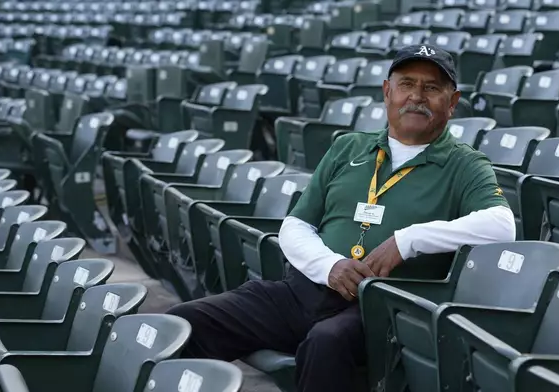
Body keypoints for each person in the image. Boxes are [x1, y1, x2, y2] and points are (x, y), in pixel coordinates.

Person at [166, 44, 516, 392]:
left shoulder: (465, 164)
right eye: (407, 84)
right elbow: (295, 225)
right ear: (387, 92)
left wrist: (407, 241)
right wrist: (330, 266)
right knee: (183, 325)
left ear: (452, 103)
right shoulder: (348, 147)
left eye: (432, 88)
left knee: (326, 343)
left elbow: (502, 225)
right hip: (303, 290)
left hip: (382, 307)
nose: (417, 96)